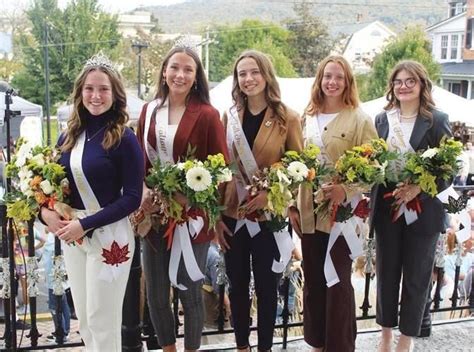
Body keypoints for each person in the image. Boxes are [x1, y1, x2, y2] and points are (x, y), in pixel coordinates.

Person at [39, 52, 144, 351]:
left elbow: (133, 198)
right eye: (89, 88)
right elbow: (53, 187)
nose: (96, 96)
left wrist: (84, 224)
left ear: (115, 94)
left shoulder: (125, 138)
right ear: (79, 93)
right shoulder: (67, 137)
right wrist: (44, 214)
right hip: (75, 236)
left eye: (103, 89)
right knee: (84, 319)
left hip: (110, 236)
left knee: (103, 319)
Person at [137, 43, 229, 352]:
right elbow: (141, 161)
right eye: (175, 67)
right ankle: (168, 349)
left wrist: (190, 195)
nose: (180, 74)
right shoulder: (149, 111)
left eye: (188, 69)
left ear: (196, 76)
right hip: (155, 215)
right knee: (157, 294)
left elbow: (221, 169)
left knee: (190, 293)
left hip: (191, 217)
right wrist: (145, 190)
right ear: (164, 72)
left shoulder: (207, 114)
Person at [216, 49, 303, 352]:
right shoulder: (229, 116)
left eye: (254, 72)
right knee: (237, 287)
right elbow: (220, 167)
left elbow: (299, 168)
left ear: (266, 75)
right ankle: (242, 346)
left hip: (270, 218)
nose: (248, 79)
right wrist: (216, 216)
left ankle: (264, 347)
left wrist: (271, 193)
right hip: (233, 214)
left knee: (268, 289)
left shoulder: (287, 117)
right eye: (242, 74)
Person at [289, 55, 377, 352]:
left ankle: (339, 345)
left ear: (348, 81)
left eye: (339, 77)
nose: (332, 82)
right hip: (309, 211)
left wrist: (347, 188)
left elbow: (374, 168)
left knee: (337, 282)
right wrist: (291, 204)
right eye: (327, 76)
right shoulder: (306, 116)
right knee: (313, 278)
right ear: (319, 79)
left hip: (343, 215)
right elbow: (295, 164)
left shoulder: (360, 119)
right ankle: (317, 342)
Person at [371, 60, 452, 352]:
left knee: (417, 276)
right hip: (388, 208)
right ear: (392, 86)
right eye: (398, 81)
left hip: (423, 209)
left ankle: (406, 340)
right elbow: (373, 162)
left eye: (410, 81)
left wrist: (419, 187)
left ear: (421, 85)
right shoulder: (382, 120)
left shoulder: (436, 119)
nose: (403, 86)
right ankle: (385, 336)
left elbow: (449, 169)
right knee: (387, 274)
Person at [41, 230, 71, 342]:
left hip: (54, 279)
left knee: (55, 306)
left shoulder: (54, 239)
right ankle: (63, 332)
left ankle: (61, 333)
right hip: (57, 278)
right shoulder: (54, 236)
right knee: (63, 305)